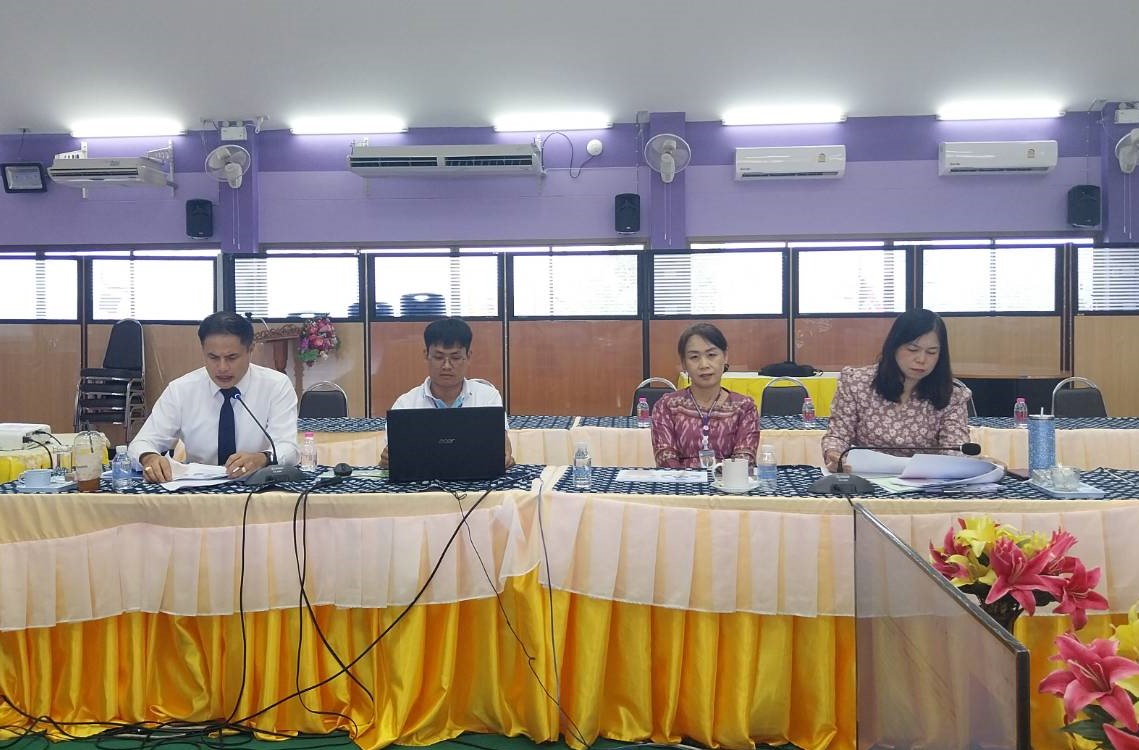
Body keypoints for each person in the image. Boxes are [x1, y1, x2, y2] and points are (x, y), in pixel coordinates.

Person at [129, 311, 299, 482]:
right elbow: (141, 443)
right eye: (213, 357)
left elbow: (288, 447)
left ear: (250, 350)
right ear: (203, 351)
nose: (222, 368)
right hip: (197, 489)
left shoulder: (276, 386)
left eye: (232, 357)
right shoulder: (181, 390)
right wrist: (149, 457)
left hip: (257, 486)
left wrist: (262, 458)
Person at [821, 308, 970, 472]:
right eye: (912, 349)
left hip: (924, 480)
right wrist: (835, 455)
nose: (921, 359)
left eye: (931, 352)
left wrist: (962, 463)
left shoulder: (953, 394)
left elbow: (955, 449)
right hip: (865, 477)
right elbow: (838, 436)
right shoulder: (856, 382)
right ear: (894, 347)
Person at [379, 317, 514, 468]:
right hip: (421, 480)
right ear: (426, 355)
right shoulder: (405, 404)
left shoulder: (488, 398)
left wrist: (505, 454)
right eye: (438, 357)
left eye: (455, 357)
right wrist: (387, 461)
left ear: (468, 356)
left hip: (478, 479)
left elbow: (502, 444)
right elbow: (391, 454)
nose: (447, 366)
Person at [651, 323, 759, 468]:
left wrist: (717, 480)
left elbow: (744, 461)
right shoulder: (667, 406)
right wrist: (690, 480)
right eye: (694, 357)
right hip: (679, 482)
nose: (704, 365)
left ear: (725, 356)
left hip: (730, 482)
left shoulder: (745, 407)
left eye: (711, 355)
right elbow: (666, 459)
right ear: (684, 363)